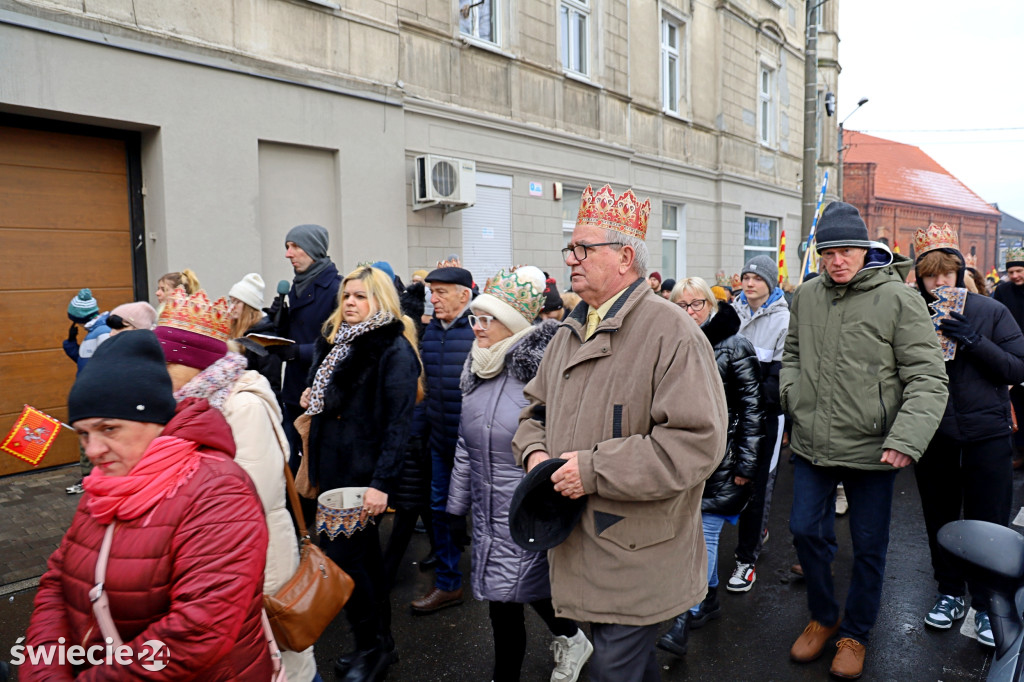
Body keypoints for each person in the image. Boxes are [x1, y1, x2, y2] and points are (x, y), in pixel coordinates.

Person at [512, 184, 728, 682]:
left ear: (625, 257)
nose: (571, 260)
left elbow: (695, 444)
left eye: (584, 249)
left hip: (638, 549)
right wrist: (535, 456)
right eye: (572, 249)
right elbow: (532, 414)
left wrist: (591, 469)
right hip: (578, 540)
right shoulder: (571, 329)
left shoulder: (673, 333)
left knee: (612, 668)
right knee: (623, 666)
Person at [22, 331, 272, 680]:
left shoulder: (218, 490)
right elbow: (57, 583)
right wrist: (43, 671)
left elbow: (197, 630)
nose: (92, 451)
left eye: (109, 428)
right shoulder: (105, 485)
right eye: (83, 434)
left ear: (154, 420)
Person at [781, 201, 948, 679]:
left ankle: (856, 634)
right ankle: (824, 614)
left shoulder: (900, 299)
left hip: (876, 449)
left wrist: (907, 437)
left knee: (870, 547)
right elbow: (792, 353)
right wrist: (793, 396)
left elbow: (928, 378)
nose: (837, 260)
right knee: (805, 531)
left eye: (847, 250)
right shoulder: (808, 294)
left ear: (866, 249)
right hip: (815, 442)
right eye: (828, 251)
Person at [155, 289, 319, 681]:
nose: (155, 371)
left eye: (164, 361)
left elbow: (250, 495)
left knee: (284, 652)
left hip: (259, 554)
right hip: (222, 558)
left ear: (189, 363)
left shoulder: (241, 404)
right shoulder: (186, 402)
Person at [448, 267, 593, 682]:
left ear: (510, 323)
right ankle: (571, 639)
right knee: (510, 595)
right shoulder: (476, 370)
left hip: (526, 507)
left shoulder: (538, 372)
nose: (478, 327)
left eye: (487, 319)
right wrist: (455, 508)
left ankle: (515, 669)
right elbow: (464, 444)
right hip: (486, 509)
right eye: (475, 319)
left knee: (514, 594)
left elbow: (558, 437)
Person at [302, 266, 421, 681]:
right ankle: (376, 646)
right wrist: (314, 396)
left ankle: (371, 646)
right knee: (364, 562)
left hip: (363, 476)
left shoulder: (392, 348)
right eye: (346, 296)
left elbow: (398, 424)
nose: (350, 303)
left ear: (380, 301)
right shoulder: (337, 342)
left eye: (361, 296)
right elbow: (336, 400)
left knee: (349, 563)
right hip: (335, 471)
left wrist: (381, 485)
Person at [910, 224, 1024, 647]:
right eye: (930, 276)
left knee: (989, 521)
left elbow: (1016, 368)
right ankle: (949, 592)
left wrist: (972, 340)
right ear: (919, 278)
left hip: (987, 434)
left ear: (960, 272)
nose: (940, 283)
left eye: (947, 274)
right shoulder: (910, 312)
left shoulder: (991, 311)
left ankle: (987, 604)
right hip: (934, 434)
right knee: (939, 515)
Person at [658, 277, 765, 657]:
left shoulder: (735, 346)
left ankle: (685, 616)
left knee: (703, 535)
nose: (690, 312)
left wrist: (747, 466)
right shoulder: (672, 344)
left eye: (696, 304)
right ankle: (710, 599)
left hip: (726, 460)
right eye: (681, 305)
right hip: (685, 461)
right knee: (693, 534)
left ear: (711, 304)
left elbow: (754, 411)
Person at [410, 266, 476, 614]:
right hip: (440, 442)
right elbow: (427, 388)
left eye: (440, 292)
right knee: (440, 510)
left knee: (481, 515)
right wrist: (420, 431)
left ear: (464, 295)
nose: (432, 299)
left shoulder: (480, 330)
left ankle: (493, 584)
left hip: (475, 447)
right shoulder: (431, 333)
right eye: (430, 292)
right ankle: (449, 583)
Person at [727, 255, 790, 593]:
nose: (749, 283)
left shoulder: (784, 320)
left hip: (764, 418)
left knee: (756, 486)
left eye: (756, 278)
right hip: (732, 416)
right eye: (745, 277)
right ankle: (756, 534)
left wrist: (740, 394)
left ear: (770, 283)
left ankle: (746, 560)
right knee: (726, 484)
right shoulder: (731, 315)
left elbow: (779, 382)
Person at [276, 224, 342, 471]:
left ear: (313, 249)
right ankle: (297, 511)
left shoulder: (337, 289)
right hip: (294, 390)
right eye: (287, 247)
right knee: (293, 462)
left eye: (295, 247)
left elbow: (340, 341)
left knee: (316, 468)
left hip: (319, 393)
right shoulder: (296, 286)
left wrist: (299, 352)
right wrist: (278, 323)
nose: (288, 254)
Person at [62, 288, 112, 495]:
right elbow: (84, 361)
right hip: (91, 395)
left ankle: (91, 478)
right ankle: (93, 477)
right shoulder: (94, 333)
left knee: (90, 437)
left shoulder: (102, 334)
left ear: (79, 318)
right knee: (90, 436)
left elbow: (108, 365)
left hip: (97, 397)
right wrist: (71, 342)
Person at [227, 272, 284, 403]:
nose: (231, 306)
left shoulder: (265, 339)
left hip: (256, 406)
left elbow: (271, 384)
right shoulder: (235, 331)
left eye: (237, 302)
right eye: (231, 300)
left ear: (248, 306)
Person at [993, 246, 1024, 468]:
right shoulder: (1002, 291)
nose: (1015, 276)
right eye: (1011, 272)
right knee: (1017, 408)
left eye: (1019, 271)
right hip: (1013, 354)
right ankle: (1020, 453)